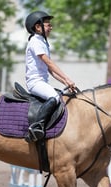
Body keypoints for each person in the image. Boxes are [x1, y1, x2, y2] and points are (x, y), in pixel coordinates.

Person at [24, 11, 76, 142]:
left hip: (42, 81)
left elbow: (49, 70)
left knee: (60, 96)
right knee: (54, 97)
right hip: (35, 82)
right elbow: (49, 63)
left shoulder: (42, 42)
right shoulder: (35, 41)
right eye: (48, 25)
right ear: (38, 27)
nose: (51, 27)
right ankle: (36, 127)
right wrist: (67, 77)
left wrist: (65, 81)